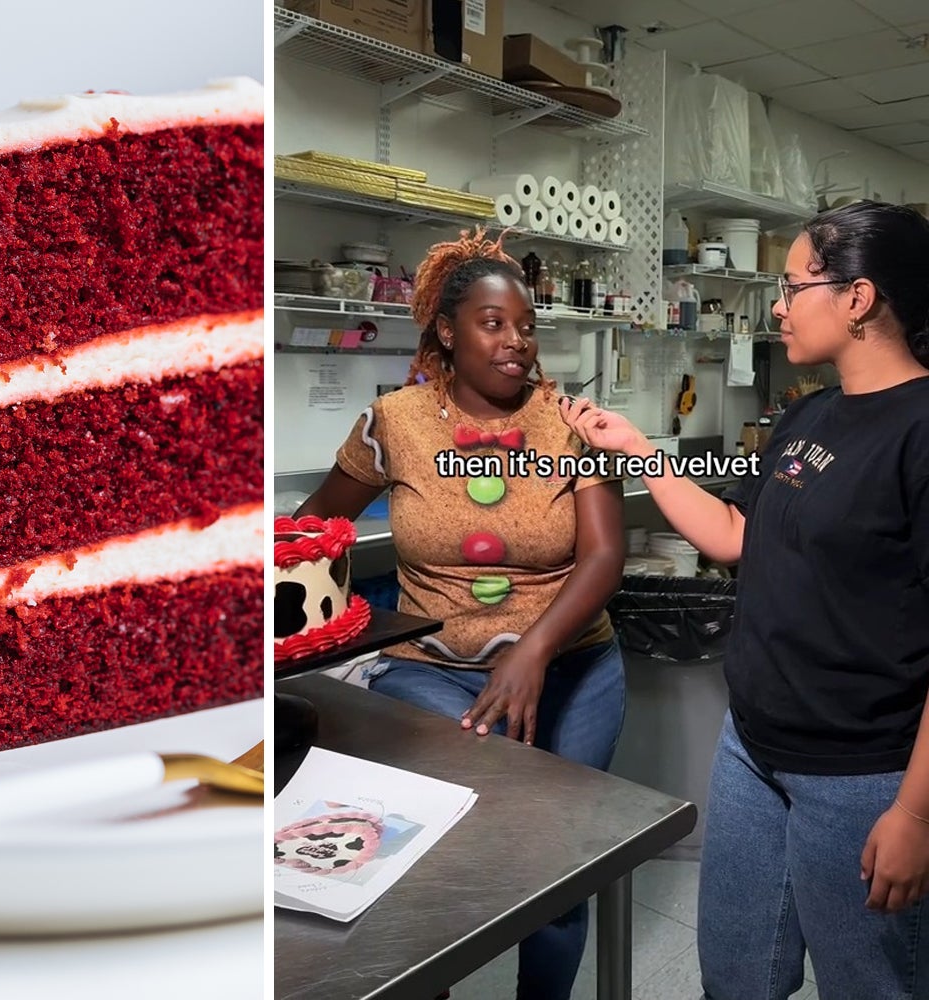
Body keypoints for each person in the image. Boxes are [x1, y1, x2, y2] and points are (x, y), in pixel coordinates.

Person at [563, 200, 929, 999]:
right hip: (752, 746)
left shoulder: (918, 431)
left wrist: (916, 815)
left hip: (862, 772)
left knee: (869, 984)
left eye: (793, 287)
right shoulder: (811, 412)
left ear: (858, 298)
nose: (779, 307)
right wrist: (638, 450)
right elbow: (734, 534)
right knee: (736, 976)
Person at [297, 229, 626, 1000]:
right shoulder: (394, 423)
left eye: (526, 325)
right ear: (447, 330)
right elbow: (313, 529)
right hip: (430, 673)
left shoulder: (573, 423)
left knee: (555, 868)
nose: (517, 341)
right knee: (424, 849)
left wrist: (533, 650)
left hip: (574, 668)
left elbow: (605, 555)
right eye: (493, 323)